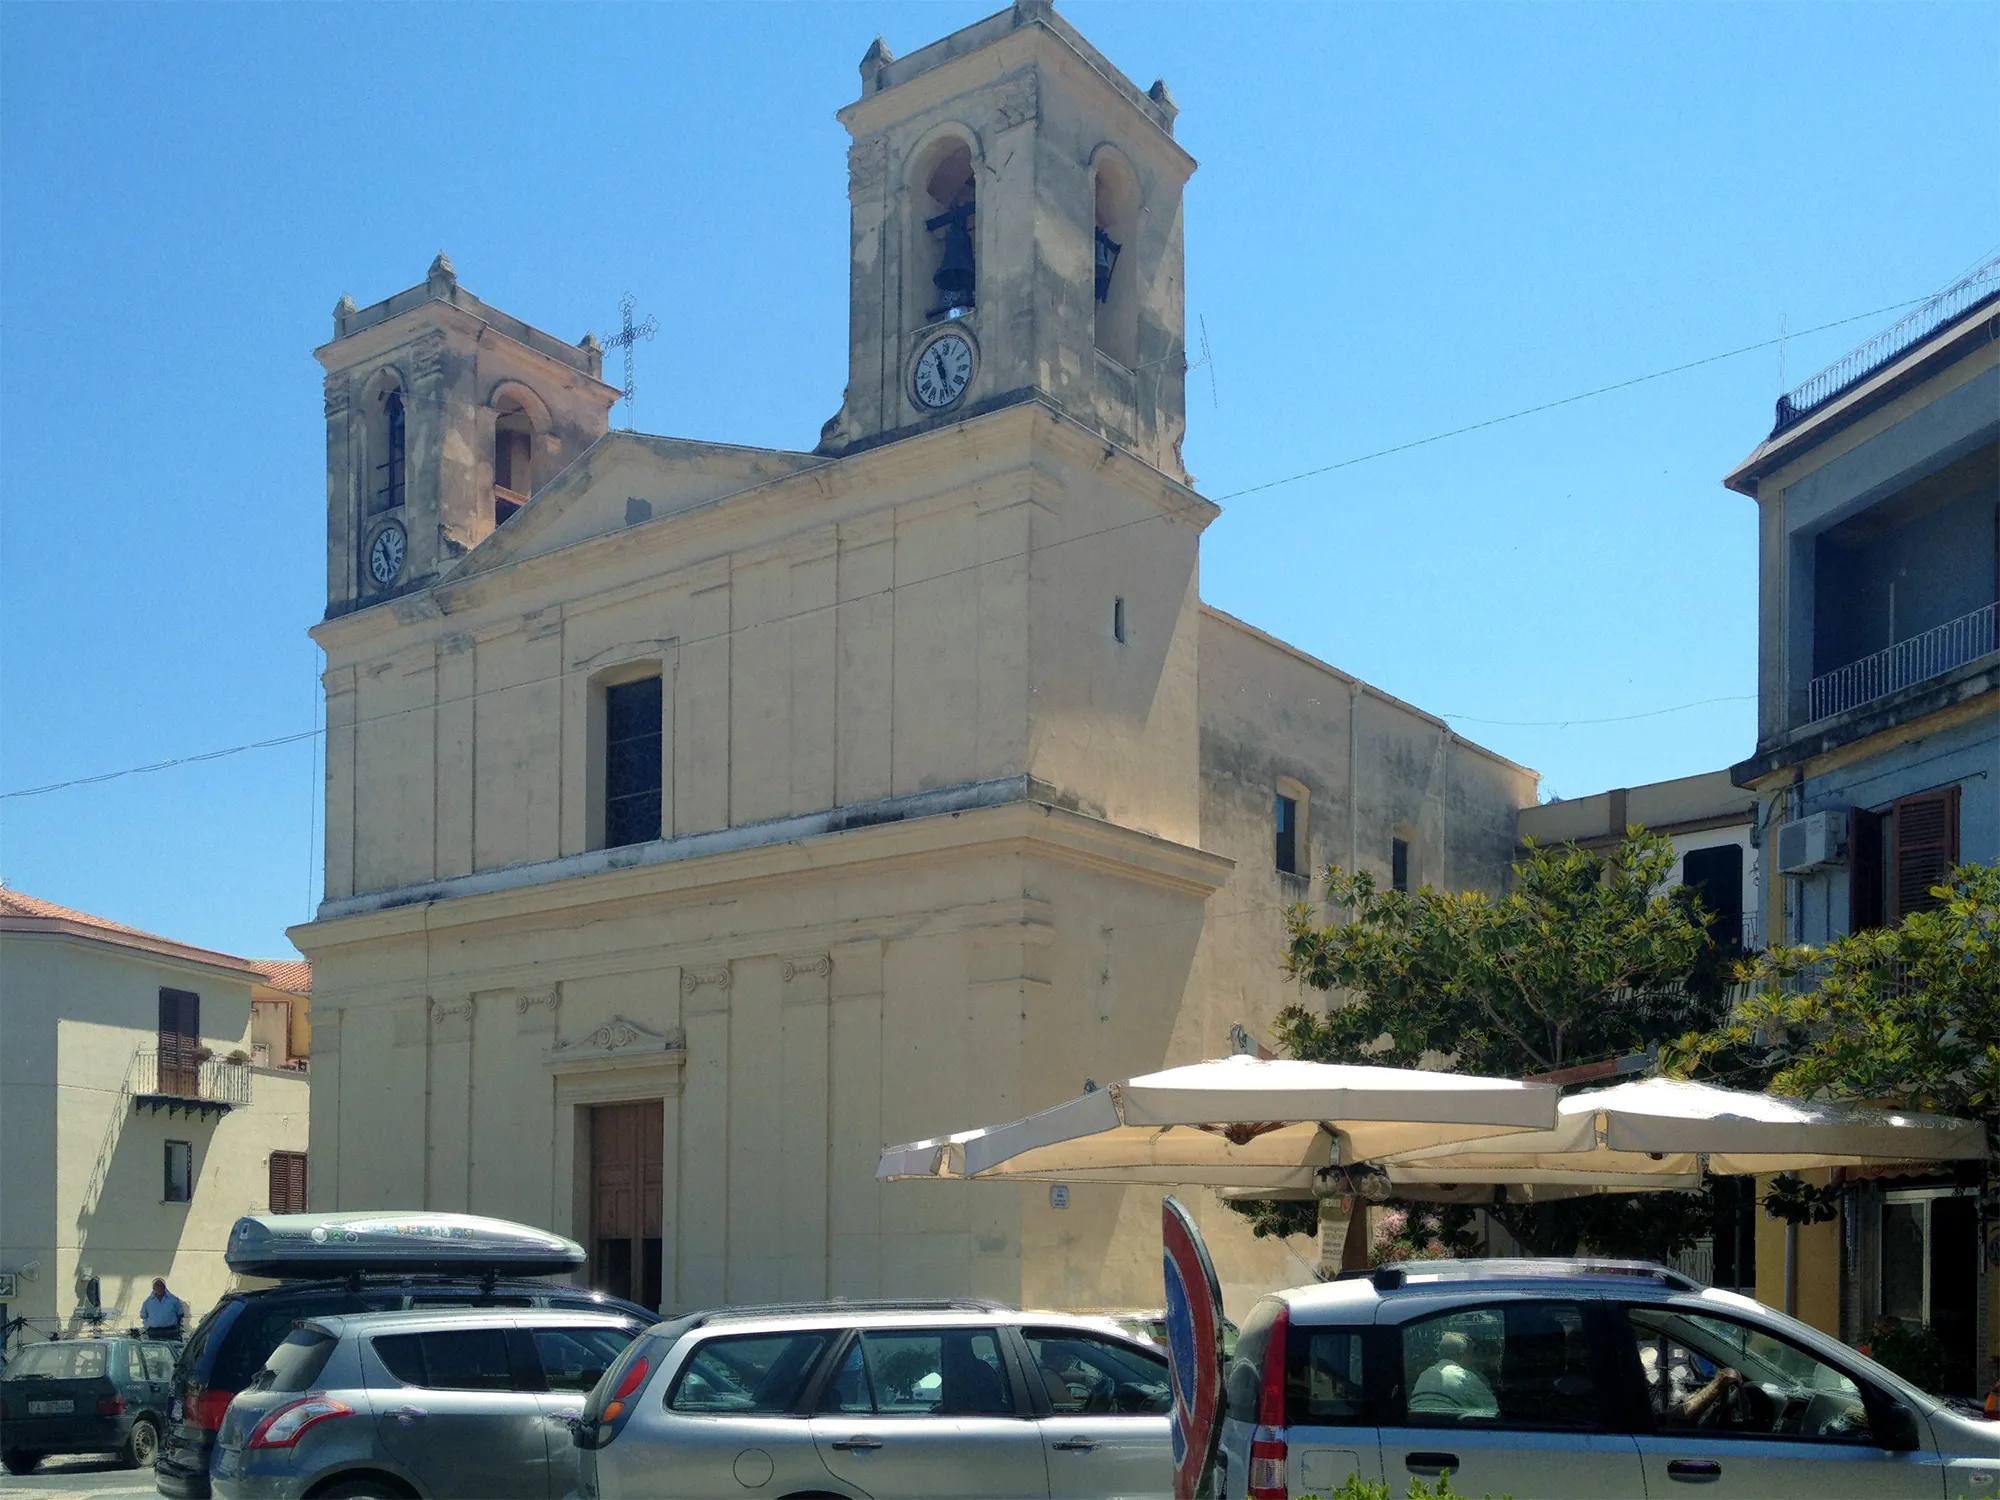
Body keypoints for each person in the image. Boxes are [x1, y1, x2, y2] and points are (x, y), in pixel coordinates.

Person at [1409, 1330, 1498, 1419]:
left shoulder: (1424, 1375)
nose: (1472, 1360)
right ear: (1462, 1354)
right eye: (1470, 1355)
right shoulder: (1465, 1377)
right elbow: (1493, 1409)